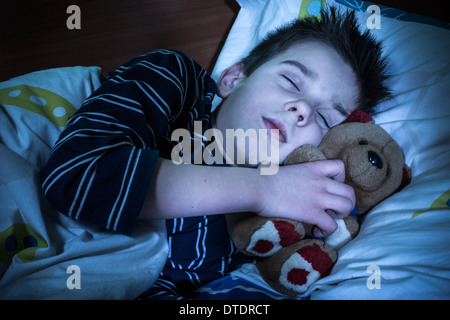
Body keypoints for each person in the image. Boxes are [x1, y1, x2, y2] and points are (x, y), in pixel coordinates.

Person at [40, 7, 391, 298]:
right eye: (292, 81)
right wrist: (265, 186)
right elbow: (77, 176)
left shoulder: (259, 237)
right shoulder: (177, 83)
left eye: (324, 117)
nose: (301, 108)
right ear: (233, 78)